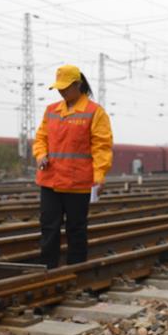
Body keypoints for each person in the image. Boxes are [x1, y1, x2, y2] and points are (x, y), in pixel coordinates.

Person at [33, 64, 113, 268]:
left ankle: (77, 269)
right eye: (59, 88)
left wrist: (99, 176)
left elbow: (101, 147)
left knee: (76, 229)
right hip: (50, 180)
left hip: (78, 182)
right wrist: (40, 154)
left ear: (78, 85)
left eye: (65, 87)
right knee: (49, 227)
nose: (61, 91)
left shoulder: (95, 112)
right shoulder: (51, 111)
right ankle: (48, 269)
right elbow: (41, 138)